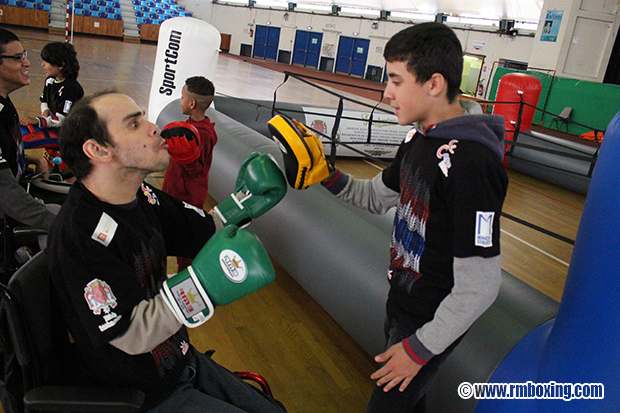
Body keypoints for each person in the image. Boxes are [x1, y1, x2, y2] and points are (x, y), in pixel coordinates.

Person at [269, 22, 508, 412]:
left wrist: (419, 349)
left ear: (433, 84)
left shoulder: (471, 163)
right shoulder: (419, 139)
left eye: (396, 80)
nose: (386, 92)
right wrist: (325, 174)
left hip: (431, 321)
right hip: (402, 302)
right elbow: (375, 198)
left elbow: (480, 285)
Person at [47, 91, 287, 411]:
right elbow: (130, 333)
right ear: (98, 149)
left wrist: (247, 201)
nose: (154, 128)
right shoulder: (81, 235)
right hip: (142, 394)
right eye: (134, 124)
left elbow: (201, 230)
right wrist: (202, 286)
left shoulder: (142, 195)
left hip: (180, 361)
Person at [0, 28, 58, 230]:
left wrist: (34, 159)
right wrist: (58, 227)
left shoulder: (5, 104)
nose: (27, 63)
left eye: (24, 55)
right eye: (18, 58)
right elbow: (5, 193)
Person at [162, 76, 218, 272]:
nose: (180, 100)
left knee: (186, 245)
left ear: (192, 103)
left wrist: (186, 157)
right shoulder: (189, 126)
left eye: (182, 97)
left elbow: (198, 170)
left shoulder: (203, 133)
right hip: (174, 192)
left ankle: (186, 282)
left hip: (187, 197)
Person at [20, 41, 84, 176]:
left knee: (67, 174)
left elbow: (62, 119)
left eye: (47, 62)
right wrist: (45, 110)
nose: (42, 65)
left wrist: (38, 121)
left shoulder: (72, 88)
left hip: (68, 137)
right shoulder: (50, 80)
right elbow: (44, 100)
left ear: (61, 65)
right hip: (53, 128)